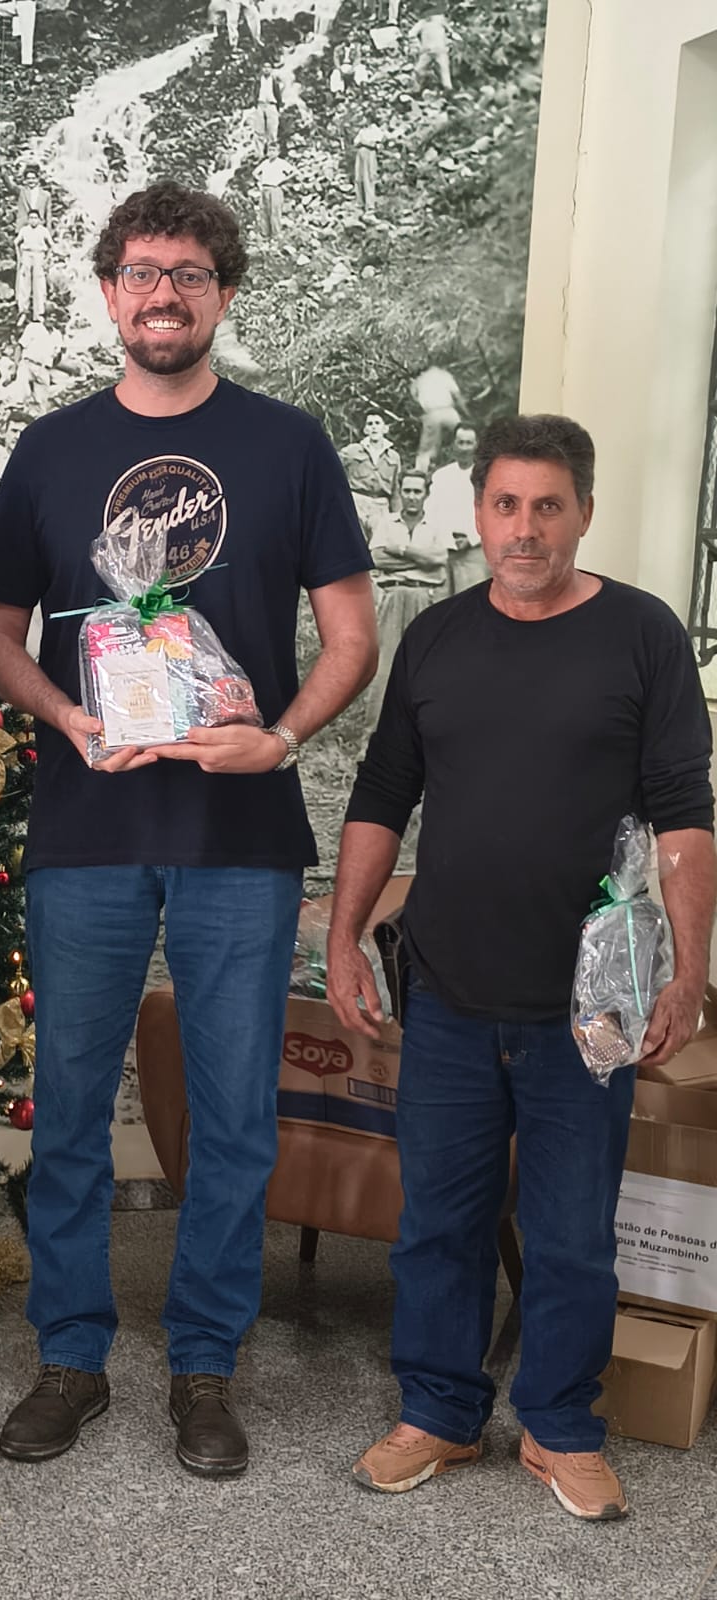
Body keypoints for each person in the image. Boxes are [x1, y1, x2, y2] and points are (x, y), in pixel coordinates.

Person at [0, 181, 376, 1477]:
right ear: (109, 293)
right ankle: (71, 1356)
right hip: (87, 821)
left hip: (240, 833)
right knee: (71, 1106)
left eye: (189, 274)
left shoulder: (289, 445)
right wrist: (64, 715)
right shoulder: (51, 450)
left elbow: (352, 636)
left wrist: (282, 738)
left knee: (234, 1119)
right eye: (141, 272)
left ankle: (205, 1365)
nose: (163, 293)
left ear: (225, 293)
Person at [327, 414, 715, 1522]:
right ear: (479, 512)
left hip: (590, 1005)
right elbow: (383, 793)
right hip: (449, 991)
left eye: (549, 505)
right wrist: (344, 935)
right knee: (437, 1227)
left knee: (572, 1236)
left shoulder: (642, 635)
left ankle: (560, 1426)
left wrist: (688, 972)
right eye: (506, 504)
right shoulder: (437, 638)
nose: (525, 528)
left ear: (584, 511)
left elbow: (685, 814)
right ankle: (440, 1413)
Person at [357, 467, 446, 744]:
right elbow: (377, 559)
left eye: (417, 491)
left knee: (425, 667)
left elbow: (438, 560)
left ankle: (421, 740)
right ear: (400, 492)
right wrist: (419, 560)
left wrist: (401, 550)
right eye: (407, 491)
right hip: (393, 596)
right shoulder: (387, 522)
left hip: (424, 597)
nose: (411, 496)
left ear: (426, 494)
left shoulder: (436, 524)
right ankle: (372, 740)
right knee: (386, 666)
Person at [424, 422, 487, 591]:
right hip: (443, 550)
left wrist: (471, 538)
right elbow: (430, 512)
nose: (464, 448)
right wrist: (442, 539)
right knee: (442, 600)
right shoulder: (441, 476)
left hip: (474, 551)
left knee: (470, 599)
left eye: (469, 443)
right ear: (453, 445)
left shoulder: (486, 477)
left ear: (476, 446)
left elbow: (492, 515)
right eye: (460, 443)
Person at [340, 411, 401, 527]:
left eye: (377, 423)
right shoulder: (352, 451)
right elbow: (331, 469)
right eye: (370, 424)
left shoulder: (394, 457)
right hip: (357, 503)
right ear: (365, 430)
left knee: (380, 537)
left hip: (381, 506)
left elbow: (395, 490)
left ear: (385, 429)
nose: (374, 427)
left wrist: (397, 516)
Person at [15, 209, 52, 324]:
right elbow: (16, 243)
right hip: (26, 255)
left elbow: (51, 245)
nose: (33, 220)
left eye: (35, 218)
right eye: (31, 218)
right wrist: (20, 257)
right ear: (28, 219)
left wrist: (46, 260)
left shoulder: (43, 231)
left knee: (39, 285)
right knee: (24, 284)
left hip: (39, 256)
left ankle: (39, 314)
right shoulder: (24, 230)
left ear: (39, 220)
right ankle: (23, 312)